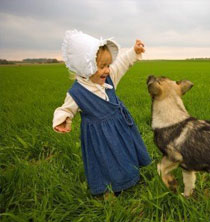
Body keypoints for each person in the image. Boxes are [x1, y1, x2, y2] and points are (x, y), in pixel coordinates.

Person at [53, 29, 151, 196]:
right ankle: (108, 188)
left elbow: (122, 63)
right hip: (99, 136)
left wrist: (134, 52)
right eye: (102, 66)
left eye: (108, 65)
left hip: (120, 126)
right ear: (86, 67)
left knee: (125, 152)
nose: (107, 70)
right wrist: (63, 119)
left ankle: (130, 176)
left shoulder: (109, 76)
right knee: (105, 160)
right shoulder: (77, 92)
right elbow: (66, 108)